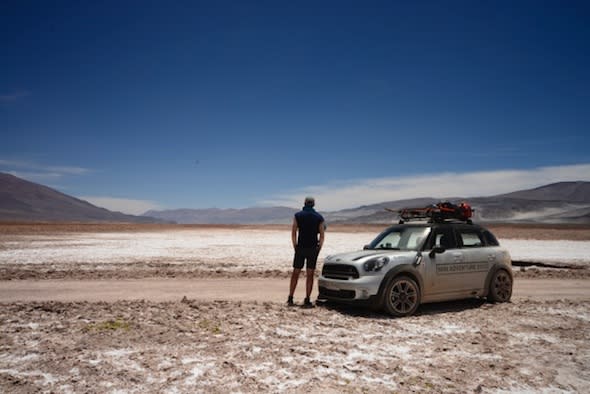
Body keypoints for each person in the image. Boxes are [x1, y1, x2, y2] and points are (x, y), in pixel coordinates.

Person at [288, 196, 325, 307]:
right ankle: (307, 298)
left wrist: (295, 245)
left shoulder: (298, 215)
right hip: (313, 248)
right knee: (310, 274)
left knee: (296, 273)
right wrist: (319, 248)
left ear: (304, 203)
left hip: (301, 248)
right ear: (313, 204)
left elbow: (294, 232)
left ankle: (290, 297)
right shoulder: (319, 217)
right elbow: (322, 235)